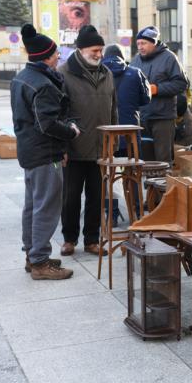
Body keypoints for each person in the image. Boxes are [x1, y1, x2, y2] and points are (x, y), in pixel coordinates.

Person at [11, 24, 80, 280]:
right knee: (47, 207)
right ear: (45, 57)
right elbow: (48, 124)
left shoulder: (21, 77)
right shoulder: (44, 84)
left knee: (32, 205)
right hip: (44, 154)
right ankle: (40, 262)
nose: (58, 58)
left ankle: (32, 255)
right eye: (55, 55)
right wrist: (71, 132)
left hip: (29, 152)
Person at [58, 25, 117, 257]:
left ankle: (92, 240)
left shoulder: (107, 73)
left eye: (101, 50)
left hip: (101, 148)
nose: (99, 54)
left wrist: (114, 140)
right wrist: (62, 146)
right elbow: (60, 114)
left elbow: (114, 110)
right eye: (94, 50)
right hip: (74, 149)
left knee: (96, 197)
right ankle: (69, 239)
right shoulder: (63, 74)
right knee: (70, 198)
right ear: (81, 49)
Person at [102, 44, 151, 225]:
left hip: (108, 134)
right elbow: (146, 99)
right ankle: (137, 213)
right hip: (130, 133)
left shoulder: (99, 73)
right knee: (133, 174)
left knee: (108, 175)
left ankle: (112, 214)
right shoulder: (135, 73)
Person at [131, 26, 189, 164]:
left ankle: (163, 185)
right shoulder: (136, 60)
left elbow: (182, 84)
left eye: (143, 43)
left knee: (163, 160)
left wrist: (157, 89)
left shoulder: (169, 58)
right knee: (145, 160)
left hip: (163, 118)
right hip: (143, 118)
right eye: (138, 43)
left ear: (154, 42)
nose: (140, 47)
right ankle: (148, 186)